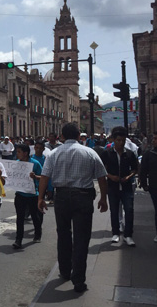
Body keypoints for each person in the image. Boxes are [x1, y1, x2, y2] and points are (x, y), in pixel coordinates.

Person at [38, 123, 108, 293]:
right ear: (79, 136)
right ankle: (78, 280)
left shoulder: (54, 153)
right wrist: (104, 198)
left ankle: (64, 270)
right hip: (83, 197)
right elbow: (102, 177)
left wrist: (40, 198)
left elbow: (45, 176)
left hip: (61, 196)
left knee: (63, 234)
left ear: (62, 136)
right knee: (81, 238)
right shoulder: (89, 152)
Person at [100, 127, 139, 246]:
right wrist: (111, 176)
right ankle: (115, 233)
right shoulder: (107, 153)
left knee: (129, 210)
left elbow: (135, 169)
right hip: (113, 186)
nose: (120, 143)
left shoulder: (130, 154)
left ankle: (128, 235)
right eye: (118, 140)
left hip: (126, 186)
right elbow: (102, 169)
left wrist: (129, 176)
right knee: (114, 210)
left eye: (122, 140)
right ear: (113, 140)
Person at [12, 144, 43, 248]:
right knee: (20, 217)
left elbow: (43, 177)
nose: (17, 154)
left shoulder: (35, 163)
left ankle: (38, 234)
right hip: (20, 194)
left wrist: (35, 177)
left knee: (35, 216)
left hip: (32, 195)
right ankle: (18, 239)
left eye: (19, 152)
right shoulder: (16, 164)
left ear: (25, 153)